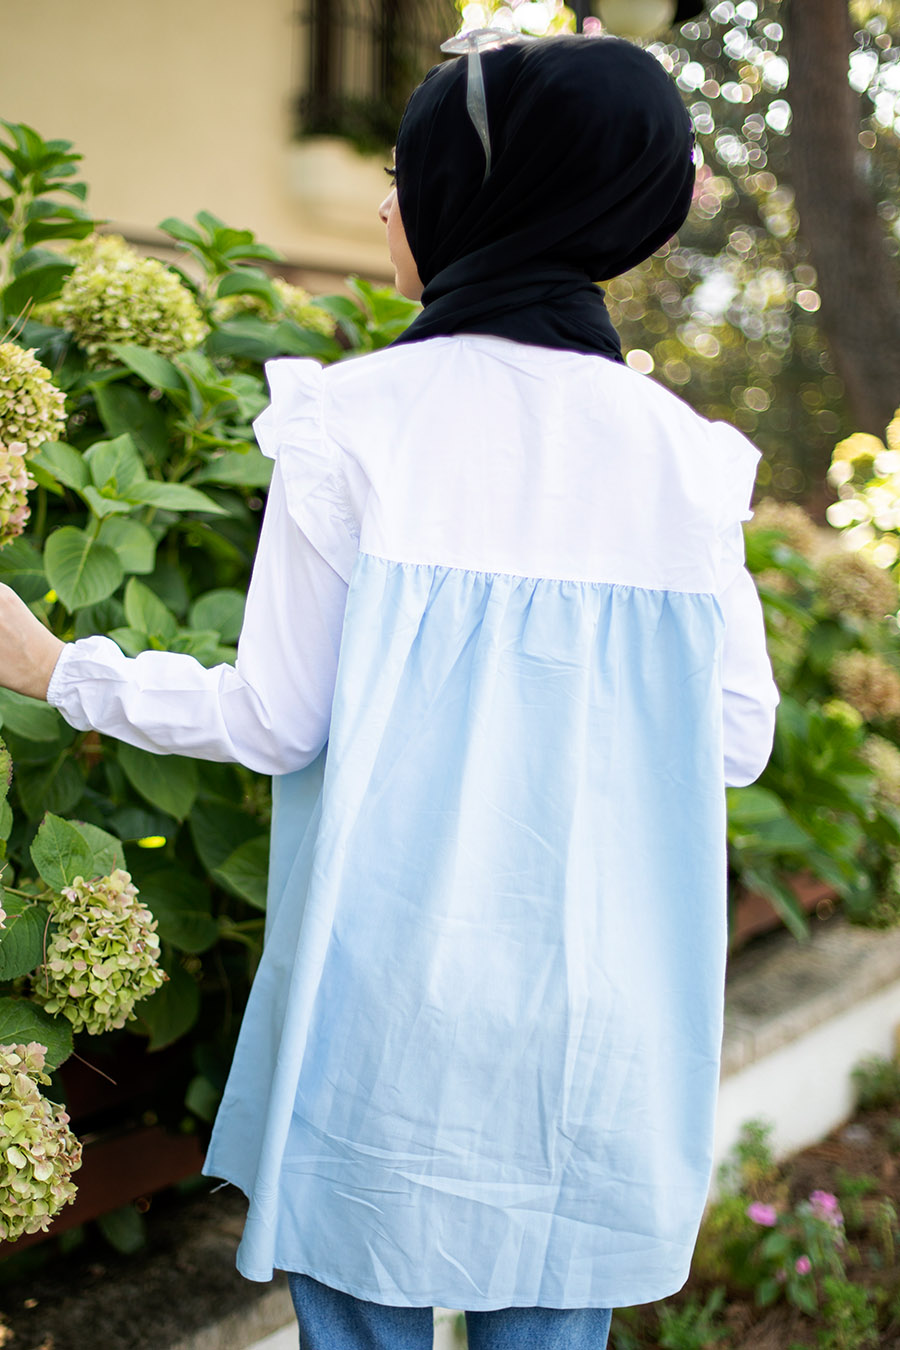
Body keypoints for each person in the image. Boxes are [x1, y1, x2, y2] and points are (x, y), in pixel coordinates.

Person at [0, 33, 778, 1350]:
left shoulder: (352, 420)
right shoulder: (688, 464)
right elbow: (737, 737)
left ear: (482, 198)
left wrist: (55, 665)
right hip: (592, 1035)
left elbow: (274, 718)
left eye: (408, 172)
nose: (383, 205)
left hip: (390, 1012)